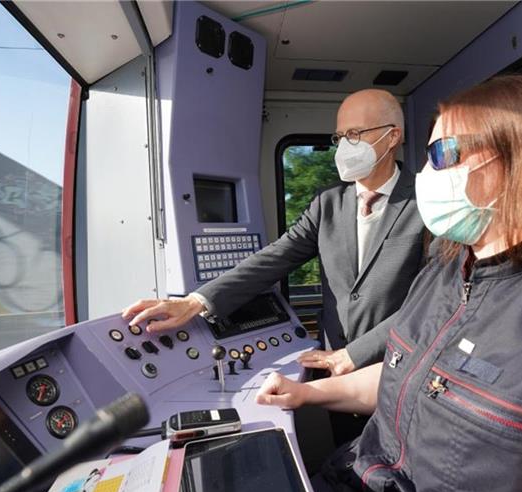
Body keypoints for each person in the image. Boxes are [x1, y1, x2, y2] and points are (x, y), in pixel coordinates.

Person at [255, 75, 522, 492]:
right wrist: (308, 393)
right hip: (356, 485)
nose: (424, 175)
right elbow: (411, 371)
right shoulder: (446, 270)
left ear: (519, 159)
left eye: (442, 155)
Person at [123, 89, 426, 374]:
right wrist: (196, 302)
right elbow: (274, 258)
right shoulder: (327, 203)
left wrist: (355, 355)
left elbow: (431, 301)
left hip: (395, 365)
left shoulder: (426, 202)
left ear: (392, 137)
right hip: (332, 361)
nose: (345, 145)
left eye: (355, 134)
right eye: (340, 136)